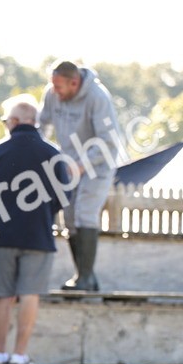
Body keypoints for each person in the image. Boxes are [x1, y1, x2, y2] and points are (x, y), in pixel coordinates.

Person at [0, 96, 69, 364]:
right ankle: (19, 354)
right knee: (30, 294)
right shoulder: (52, 153)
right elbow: (63, 197)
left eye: (7, 121)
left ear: (15, 121)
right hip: (38, 235)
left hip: (1, 236)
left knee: (3, 294)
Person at [38, 60, 123, 291]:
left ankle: (84, 277)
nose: (55, 91)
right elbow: (42, 124)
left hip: (98, 164)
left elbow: (108, 140)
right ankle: (85, 277)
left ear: (74, 83)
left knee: (85, 212)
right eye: (53, 86)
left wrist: (81, 165)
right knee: (69, 218)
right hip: (69, 164)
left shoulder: (97, 97)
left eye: (60, 87)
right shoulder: (52, 93)